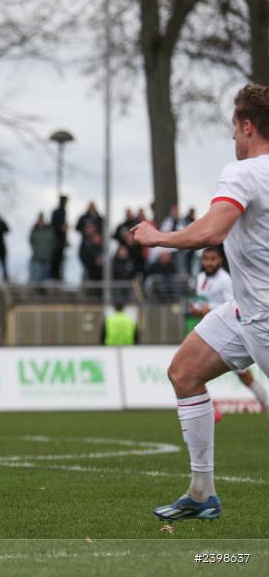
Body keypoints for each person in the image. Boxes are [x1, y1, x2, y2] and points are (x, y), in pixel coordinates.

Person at [131, 83, 269, 522]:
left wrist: (159, 238)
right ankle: (201, 492)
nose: (233, 139)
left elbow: (212, 230)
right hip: (244, 309)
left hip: (263, 315)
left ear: (248, 126)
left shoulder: (243, 172)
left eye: (234, 128)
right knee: (185, 372)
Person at [186, 247, 269, 417]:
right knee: (194, 369)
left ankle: (265, 402)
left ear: (220, 260)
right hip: (212, 331)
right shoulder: (201, 277)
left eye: (212, 259)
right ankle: (207, 410)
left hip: (233, 330)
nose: (209, 263)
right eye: (206, 259)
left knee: (244, 376)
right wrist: (198, 309)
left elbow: (234, 304)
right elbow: (204, 302)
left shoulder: (225, 280)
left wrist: (208, 309)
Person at [28, 213, 53, 283]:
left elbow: (53, 242)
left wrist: (50, 250)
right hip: (37, 256)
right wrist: (35, 249)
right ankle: (34, 289)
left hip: (47, 256)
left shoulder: (49, 230)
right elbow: (31, 240)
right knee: (35, 275)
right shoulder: (34, 230)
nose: (41, 222)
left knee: (45, 276)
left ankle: (43, 291)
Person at [50, 195, 68, 280]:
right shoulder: (57, 212)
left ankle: (58, 277)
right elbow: (53, 225)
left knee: (60, 262)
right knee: (55, 261)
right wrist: (61, 227)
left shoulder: (63, 211)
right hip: (57, 241)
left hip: (61, 241)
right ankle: (55, 277)